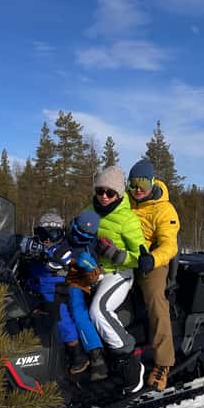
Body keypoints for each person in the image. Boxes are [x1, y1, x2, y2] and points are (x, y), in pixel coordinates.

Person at [85, 165, 147, 392]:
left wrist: (116, 255)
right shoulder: (89, 211)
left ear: (119, 194)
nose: (103, 196)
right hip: (92, 270)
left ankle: (129, 361)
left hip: (118, 274)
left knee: (99, 311)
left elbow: (141, 257)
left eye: (109, 193)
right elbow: (77, 231)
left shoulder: (127, 219)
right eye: (100, 190)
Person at [21, 210, 104, 377]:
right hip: (38, 287)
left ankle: (80, 355)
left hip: (61, 290)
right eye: (44, 234)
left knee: (65, 318)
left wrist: (49, 253)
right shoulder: (41, 245)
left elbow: (63, 259)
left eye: (54, 234)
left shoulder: (63, 249)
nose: (48, 239)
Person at [126, 159, 180, 391]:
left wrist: (152, 259)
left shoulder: (163, 208)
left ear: (151, 182)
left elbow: (170, 246)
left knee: (155, 299)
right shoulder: (126, 201)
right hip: (125, 257)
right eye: (133, 183)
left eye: (143, 183)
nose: (138, 189)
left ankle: (163, 363)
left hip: (153, 262)